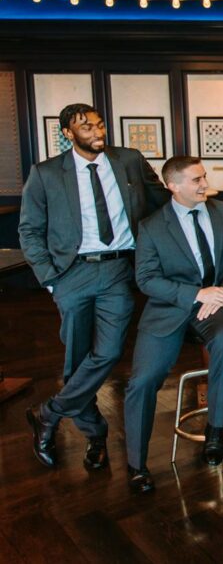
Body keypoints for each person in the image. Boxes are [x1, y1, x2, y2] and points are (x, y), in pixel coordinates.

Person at [20, 103, 167, 470]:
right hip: (72, 273)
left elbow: (161, 200)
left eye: (99, 125)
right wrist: (52, 280)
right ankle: (94, 435)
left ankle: (49, 413)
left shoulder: (129, 160)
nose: (97, 132)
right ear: (68, 133)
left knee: (108, 351)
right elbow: (29, 229)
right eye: (86, 127)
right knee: (77, 357)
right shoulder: (47, 173)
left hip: (119, 268)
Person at [122, 156, 223, 494]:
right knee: (142, 380)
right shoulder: (151, 226)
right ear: (172, 186)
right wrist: (196, 294)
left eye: (204, 177)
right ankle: (136, 464)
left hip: (219, 304)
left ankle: (216, 429)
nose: (205, 184)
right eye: (196, 180)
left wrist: (222, 294)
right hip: (168, 309)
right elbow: (146, 279)